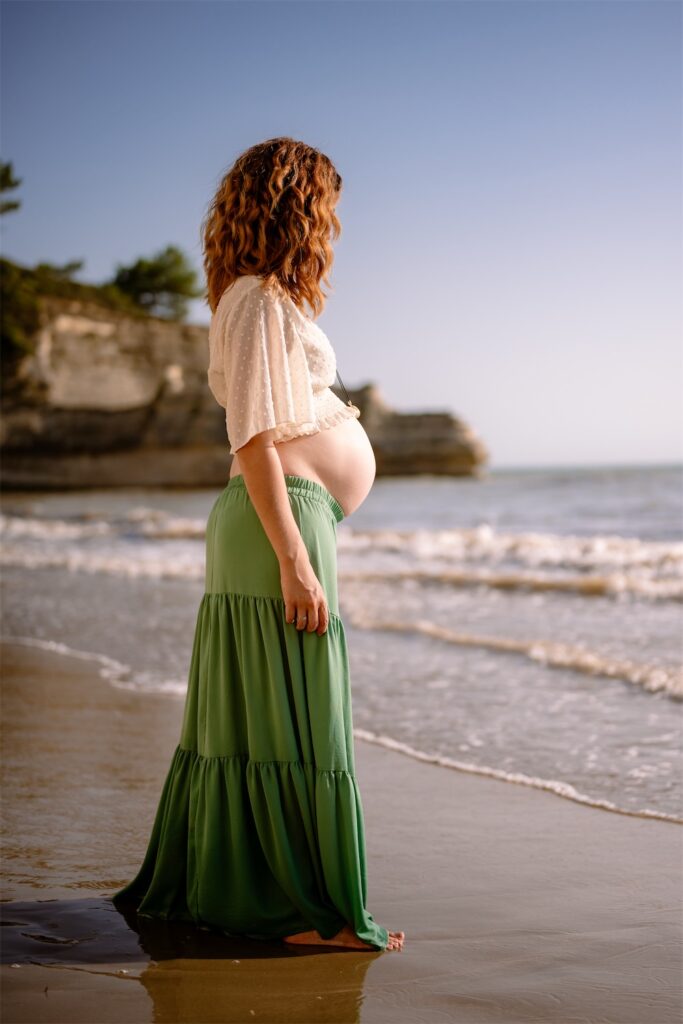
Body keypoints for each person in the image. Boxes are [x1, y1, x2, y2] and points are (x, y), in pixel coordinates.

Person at [112, 136, 405, 953]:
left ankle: (267, 896)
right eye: (327, 209)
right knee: (294, 720)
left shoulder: (260, 299)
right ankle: (306, 913)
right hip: (277, 523)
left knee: (276, 718)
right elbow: (252, 439)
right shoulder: (254, 300)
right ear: (298, 207)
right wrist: (295, 560)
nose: (332, 226)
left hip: (283, 518)